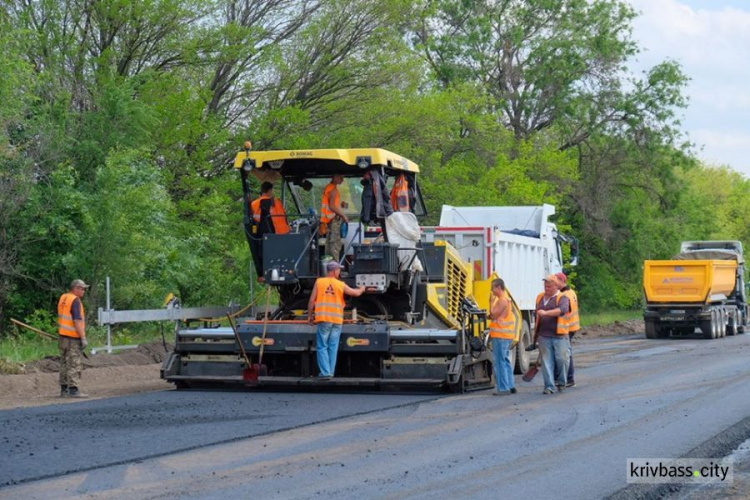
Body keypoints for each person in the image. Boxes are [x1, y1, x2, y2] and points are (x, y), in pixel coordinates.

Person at [307, 261, 365, 379]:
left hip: (324, 319)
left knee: (322, 346)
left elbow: (312, 300)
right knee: (333, 346)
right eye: (339, 270)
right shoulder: (340, 284)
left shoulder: (319, 282)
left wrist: (309, 316)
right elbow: (356, 293)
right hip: (337, 320)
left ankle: (325, 373)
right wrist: (363, 288)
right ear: (334, 271)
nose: (340, 272)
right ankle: (330, 372)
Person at [535, 274, 571, 394]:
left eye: (549, 286)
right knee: (546, 362)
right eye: (545, 286)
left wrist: (546, 313)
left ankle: (562, 382)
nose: (546, 288)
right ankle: (549, 386)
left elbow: (562, 310)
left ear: (556, 286)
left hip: (560, 336)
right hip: (544, 335)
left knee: (561, 360)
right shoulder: (540, 297)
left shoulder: (563, 298)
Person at [250, 182, 290, 276]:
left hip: (265, 235)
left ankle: (269, 272)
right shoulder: (277, 202)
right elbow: (284, 217)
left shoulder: (255, 204)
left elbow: (255, 220)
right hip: (283, 234)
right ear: (269, 191)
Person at [57, 279, 90, 398]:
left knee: (64, 363)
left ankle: (64, 389)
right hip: (73, 338)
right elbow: (76, 321)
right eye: (82, 289)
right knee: (74, 363)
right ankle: (73, 390)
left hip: (63, 337)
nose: (84, 291)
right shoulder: (75, 300)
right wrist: (83, 338)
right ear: (75, 288)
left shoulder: (64, 297)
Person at [488, 278, 517, 395]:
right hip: (505, 335)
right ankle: (510, 385)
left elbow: (493, 314)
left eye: (493, 288)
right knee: (505, 360)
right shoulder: (506, 299)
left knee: (499, 362)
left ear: (499, 287)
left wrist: (490, 303)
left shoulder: (502, 300)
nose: (492, 291)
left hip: (501, 335)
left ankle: (503, 388)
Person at [555, 272, 580, 387]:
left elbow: (563, 312)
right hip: (572, 326)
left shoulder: (566, 295)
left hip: (567, 327)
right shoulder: (571, 292)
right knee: (566, 353)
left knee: (565, 354)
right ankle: (568, 378)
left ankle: (569, 378)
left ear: (562, 281)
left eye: (556, 281)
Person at [321, 175, 349, 262]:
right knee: (335, 245)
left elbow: (331, 205)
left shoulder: (328, 188)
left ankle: (328, 267)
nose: (342, 180)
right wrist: (343, 215)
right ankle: (335, 269)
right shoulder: (333, 190)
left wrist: (341, 205)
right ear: (334, 177)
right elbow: (332, 206)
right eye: (340, 178)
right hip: (333, 221)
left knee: (328, 245)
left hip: (328, 221)